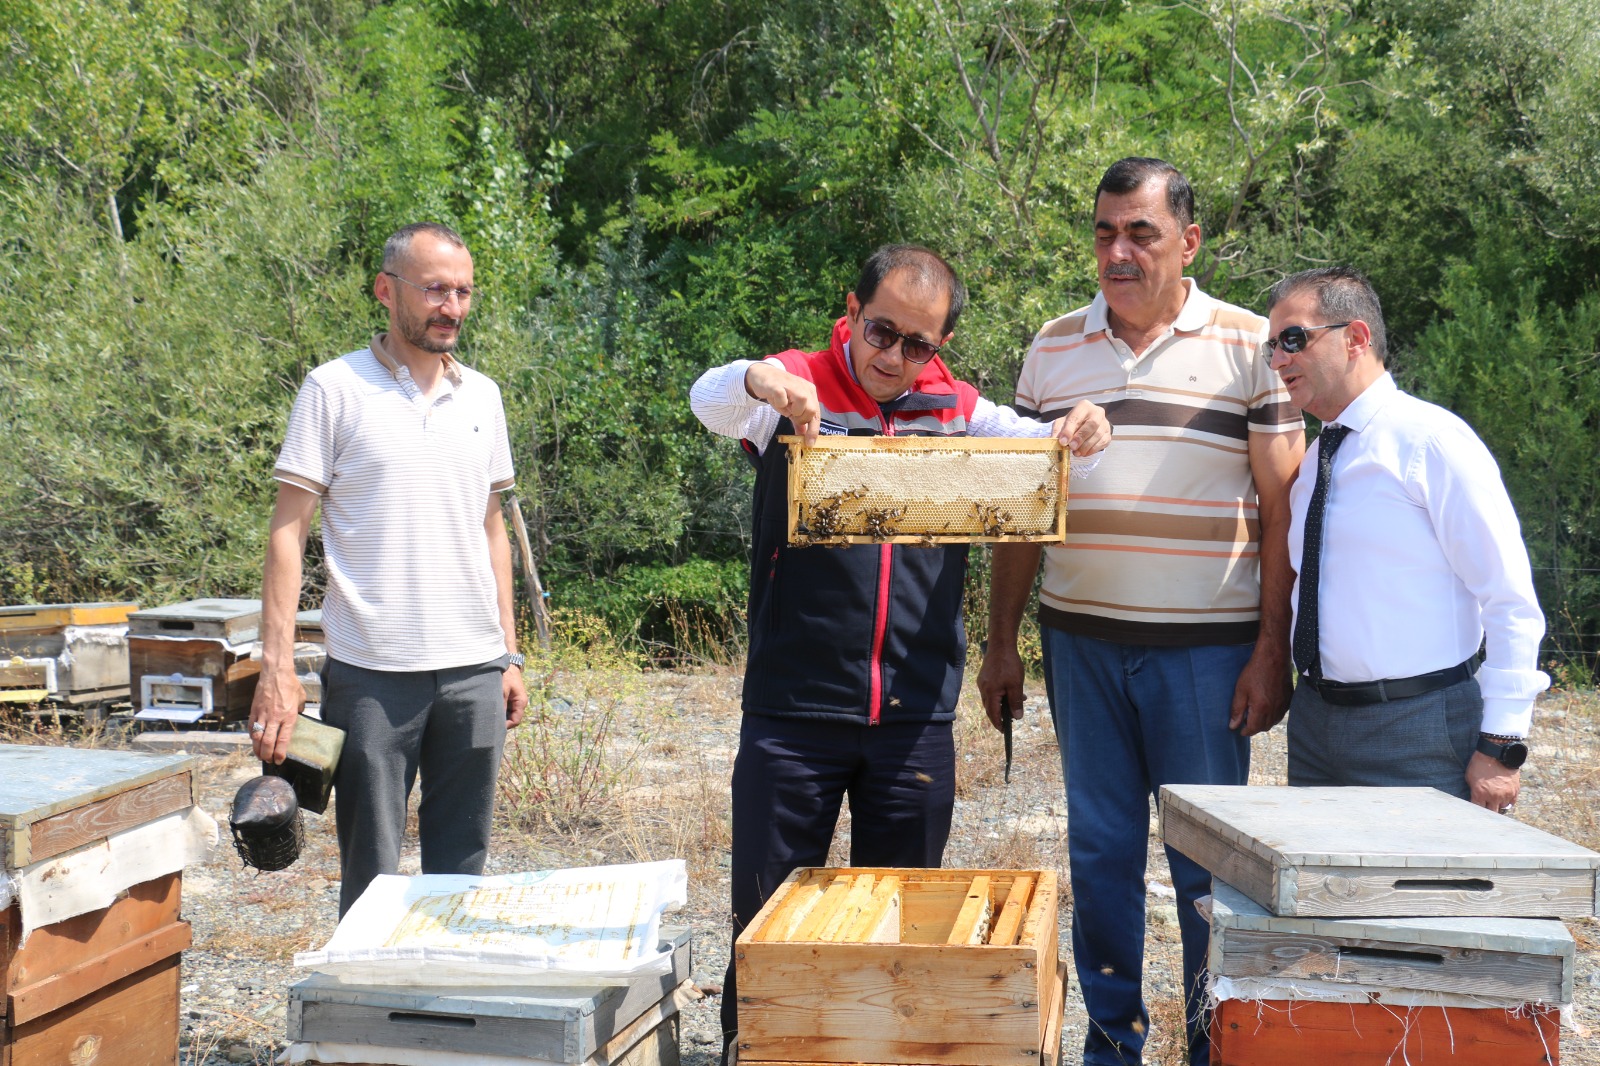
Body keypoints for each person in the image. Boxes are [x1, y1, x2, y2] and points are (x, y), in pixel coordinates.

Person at [688, 244, 1112, 1060]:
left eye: (919, 345)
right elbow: (708, 397)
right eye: (881, 332)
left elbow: (1051, 464)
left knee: (902, 923)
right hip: (794, 711)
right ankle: (759, 1049)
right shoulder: (797, 382)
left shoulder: (958, 409)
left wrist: (1089, 432)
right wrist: (756, 379)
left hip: (913, 716)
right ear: (850, 310)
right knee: (767, 922)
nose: (894, 357)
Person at [977, 158, 1305, 1066]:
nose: (1117, 252)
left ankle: (1216, 1046)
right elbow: (1018, 509)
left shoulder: (1253, 345)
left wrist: (1271, 652)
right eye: (1104, 231)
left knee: (1209, 867)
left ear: (1188, 241)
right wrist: (1001, 644)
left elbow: (1282, 516)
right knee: (1103, 854)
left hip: (1206, 656)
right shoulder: (1051, 347)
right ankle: (1111, 1047)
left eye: (1141, 232)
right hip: (1078, 645)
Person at [249, 221, 529, 917]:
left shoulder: (483, 397)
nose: (453, 307)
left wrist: (509, 652)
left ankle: (446, 1010)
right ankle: (366, 1021)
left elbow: (490, 526)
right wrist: (276, 669)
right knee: (371, 878)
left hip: (473, 671)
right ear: (386, 290)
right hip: (372, 675)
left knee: (461, 874)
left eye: (463, 291)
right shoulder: (333, 389)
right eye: (435, 289)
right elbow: (289, 531)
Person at [1265, 266, 1548, 810]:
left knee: (1428, 896)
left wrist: (1502, 742)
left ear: (1356, 338)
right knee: (1321, 897)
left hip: (1419, 729)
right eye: (1271, 348)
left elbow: (1510, 599)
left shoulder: (1433, 442)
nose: (1278, 360)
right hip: (1315, 726)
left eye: (1294, 340)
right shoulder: (1315, 462)